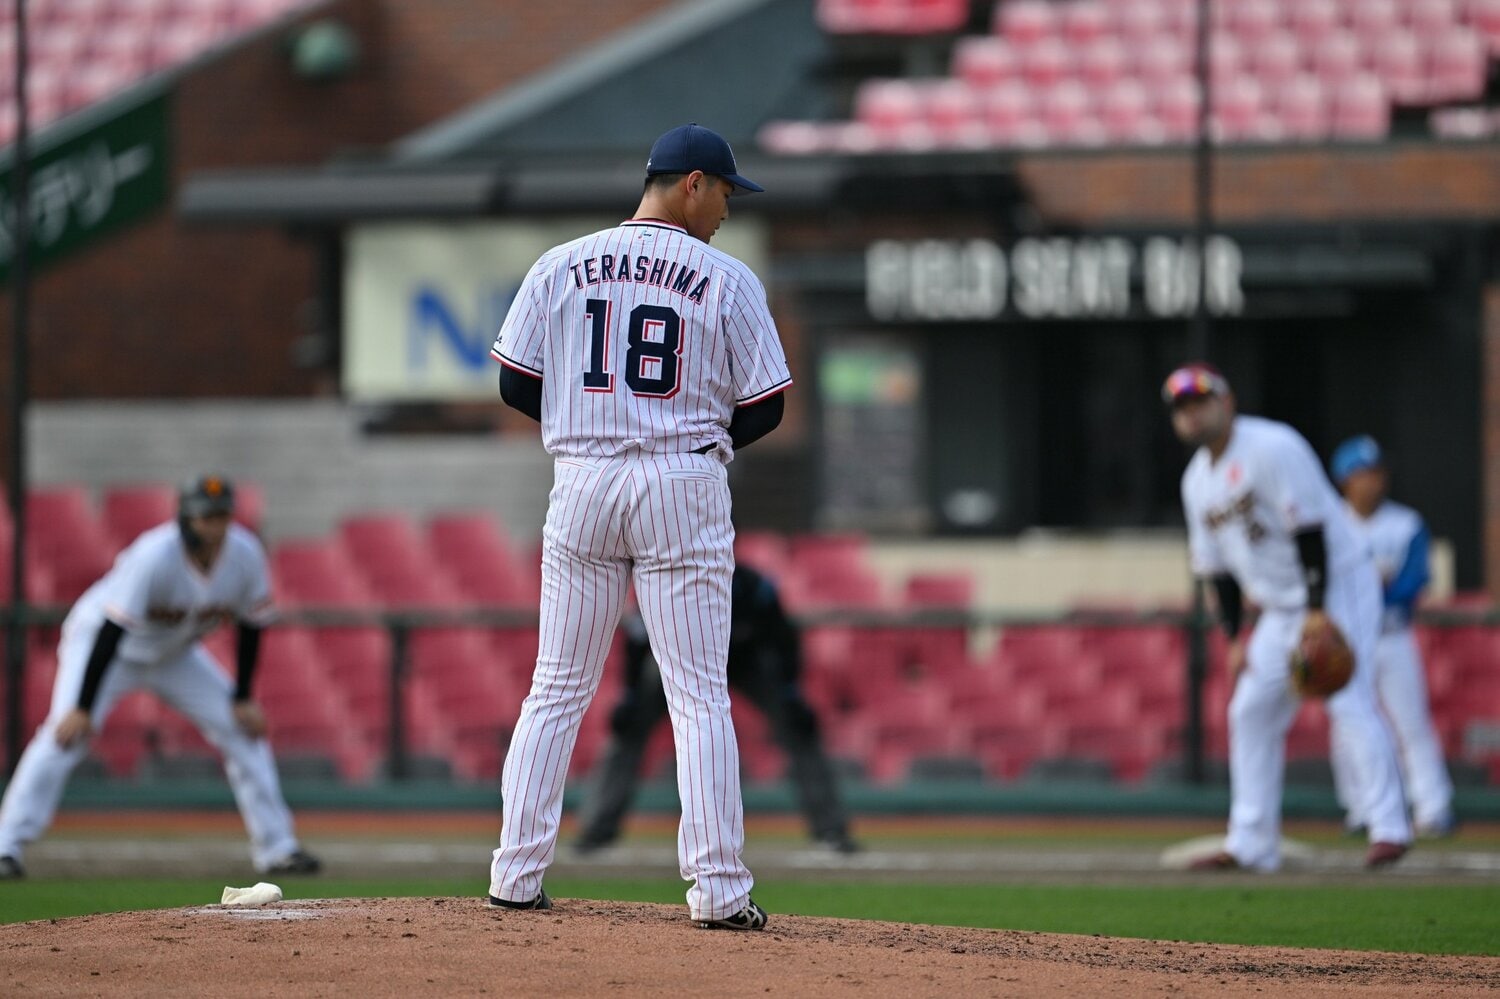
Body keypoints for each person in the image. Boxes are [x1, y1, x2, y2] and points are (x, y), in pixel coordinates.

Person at [487, 123, 791, 930]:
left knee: (557, 685)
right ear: (693, 182)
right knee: (696, 696)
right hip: (679, 480)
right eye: (726, 190)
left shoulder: (560, 262)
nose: (728, 206)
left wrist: (589, 423)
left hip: (581, 480)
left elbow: (517, 384)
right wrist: (692, 433)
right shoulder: (725, 277)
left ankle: (515, 874)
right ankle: (719, 890)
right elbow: (768, 405)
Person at [0, 475, 320, 880]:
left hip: (174, 654)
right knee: (65, 734)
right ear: (187, 518)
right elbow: (111, 631)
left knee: (243, 730)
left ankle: (278, 848)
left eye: (222, 516)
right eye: (207, 517)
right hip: (105, 647)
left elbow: (252, 624)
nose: (215, 526)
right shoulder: (155, 554)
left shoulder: (244, 553)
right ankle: (5, 845)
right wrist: (82, 708)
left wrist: (242, 696)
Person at [1163, 363, 1413, 871]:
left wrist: (1319, 610)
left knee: (1348, 697)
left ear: (1227, 402)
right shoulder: (1196, 484)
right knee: (1249, 709)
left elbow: (1311, 531)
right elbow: (1217, 571)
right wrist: (1235, 638)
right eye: (1182, 407)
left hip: (1338, 583)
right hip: (1279, 607)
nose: (1192, 412)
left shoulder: (1272, 446)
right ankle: (1252, 841)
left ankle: (1389, 826)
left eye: (1200, 401)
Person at [574, 563, 858, 856]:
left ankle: (831, 830)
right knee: (629, 730)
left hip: (744, 659)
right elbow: (638, 644)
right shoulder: (666, 585)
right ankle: (596, 829)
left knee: (798, 728)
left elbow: (783, 641)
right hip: (678, 660)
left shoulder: (753, 587)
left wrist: (790, 694)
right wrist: (630, 697)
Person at [1327, 435, 1456, 839]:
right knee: (1346, 726)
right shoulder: (1331, 521)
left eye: (1377, 473)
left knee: (1411, 723)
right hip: (1346, 640)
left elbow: (1413, 582)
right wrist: (1369, 582)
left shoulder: (1406, 522)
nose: (1372, 482)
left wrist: (1365, 588)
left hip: (1392, 634)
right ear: (1345, 480)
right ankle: (1361, 809)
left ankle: (1433, 807)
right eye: (1362, 474)